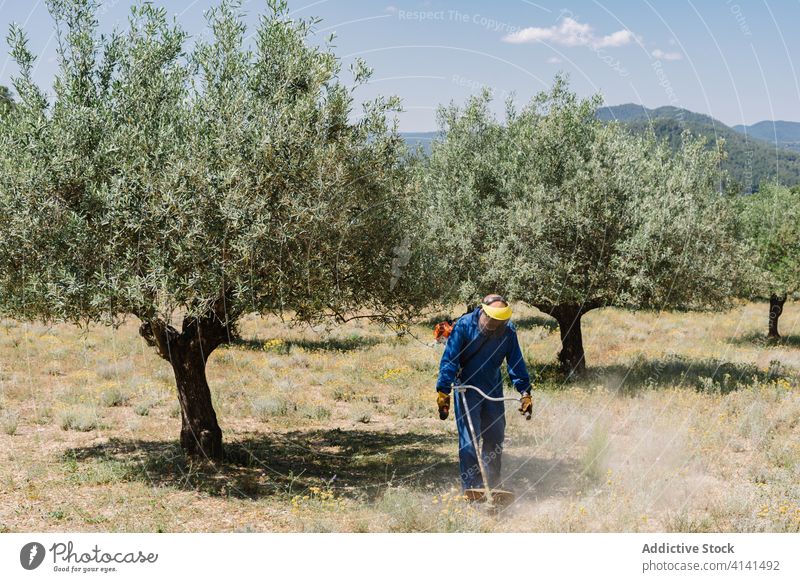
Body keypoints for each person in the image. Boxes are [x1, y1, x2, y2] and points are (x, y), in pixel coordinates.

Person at [435, 294, 532, 492]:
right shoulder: (464, 326)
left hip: (492, 388)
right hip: (467, 388)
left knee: (495, 438)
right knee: (469, 441)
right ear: (483, 313)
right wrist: (443, 391)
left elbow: (516, 362)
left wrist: (525, 391)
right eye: (493, 320)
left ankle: (493, 484)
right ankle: (473, 487)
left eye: (500, 321)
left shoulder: (507, 331)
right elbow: (450, 361)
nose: (495, 325)